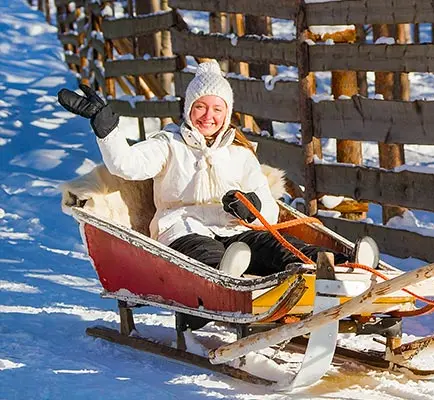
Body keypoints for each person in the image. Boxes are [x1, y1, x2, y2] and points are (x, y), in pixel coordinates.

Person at [57, 61, 378, 280]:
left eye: (217, 108)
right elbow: (124, 165)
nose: (208, 116)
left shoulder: (239, 152)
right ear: (188, 109)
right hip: (182, 230)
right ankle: (228, 280)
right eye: (200, 107)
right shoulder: (168, 143)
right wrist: (107, 130)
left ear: (227, 113)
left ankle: (344, 265)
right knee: (206, 253)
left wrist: (250, 204)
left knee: (275, 247)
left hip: (234, 228)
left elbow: (267, 206)